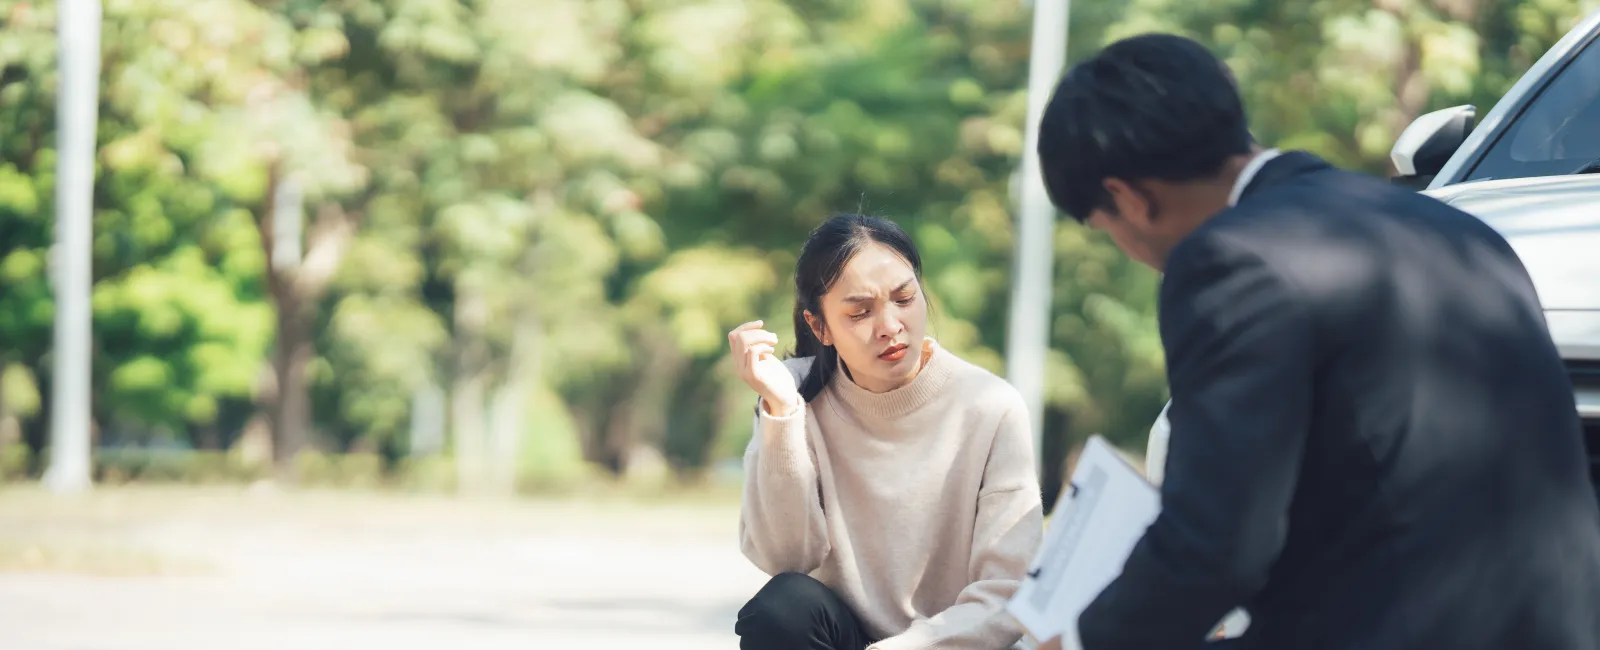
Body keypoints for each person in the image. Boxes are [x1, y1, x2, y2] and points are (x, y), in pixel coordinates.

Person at [1034, 33, 1600, 650]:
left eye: (1102, 227)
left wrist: (1082, 640)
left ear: (1127, 197)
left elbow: (1216, 546)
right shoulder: (1459, 228)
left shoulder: (1231, 261)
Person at [728, 213, 1045, 650]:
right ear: (820, 327)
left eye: (904, 298)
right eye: (860, 312)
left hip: (950, 645)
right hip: (842, 638)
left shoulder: (990, 407)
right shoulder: (793, 394)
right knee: (782, 608)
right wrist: (782, 413)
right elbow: (785, 561)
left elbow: (1007, 593)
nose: (890, 326)